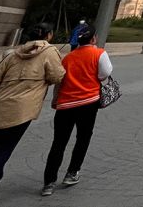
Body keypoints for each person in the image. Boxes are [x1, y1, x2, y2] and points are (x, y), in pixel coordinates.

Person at [0, 22, 64, 207]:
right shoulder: (49, 52)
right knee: (3, 152)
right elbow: (57, 76)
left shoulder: (14, 53)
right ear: (49, 35)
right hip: (22, 110)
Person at [42, 24, 112, 196]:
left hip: (65, 105)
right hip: (88, 103)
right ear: (94, 39)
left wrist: (55, 100)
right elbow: (104, 74)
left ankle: (48, 182)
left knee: (58, 143)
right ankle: (72, 172)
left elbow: (59, 80)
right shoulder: (99, 53)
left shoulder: (68, 58)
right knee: (83, 138)